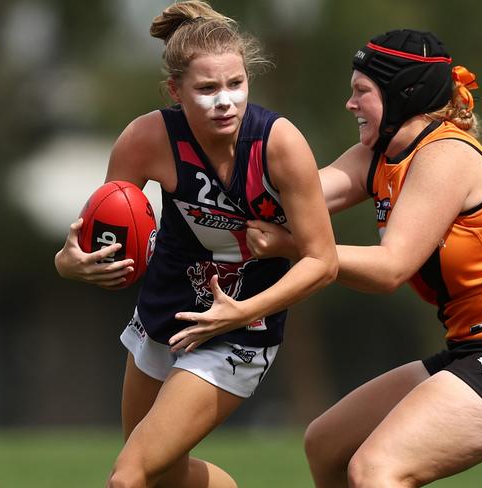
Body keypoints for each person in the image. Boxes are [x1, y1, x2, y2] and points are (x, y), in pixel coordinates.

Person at [245, 29, 482, 487]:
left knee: (376, 470)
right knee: (326, 443)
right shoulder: (382, 156)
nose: (350, 104)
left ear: (404, 95)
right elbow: (299, 196)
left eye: (361, 92)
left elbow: (391, 269)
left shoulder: (445, 155)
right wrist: (215, 167)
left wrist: (296, 248)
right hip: (476, 348)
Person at [54, 1, 337, 487]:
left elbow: (322, 261)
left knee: (128, 477)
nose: (225, 101)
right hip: (163, 310)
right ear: (175, 91)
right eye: (207, 89)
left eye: (235, 84)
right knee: (162, 476)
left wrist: (241, 313)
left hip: (241, 328)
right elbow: (92, 239)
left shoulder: (280, 144)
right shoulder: (146, 138)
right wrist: (71, 263)